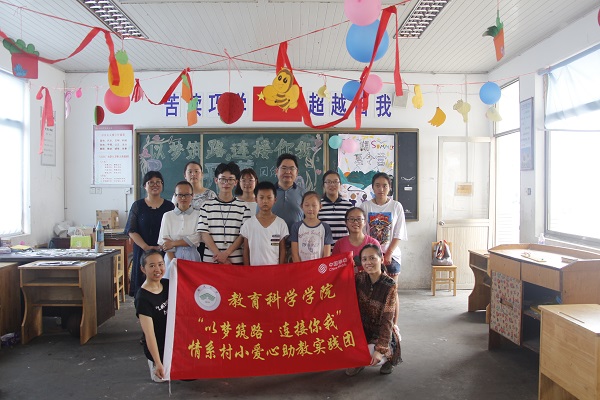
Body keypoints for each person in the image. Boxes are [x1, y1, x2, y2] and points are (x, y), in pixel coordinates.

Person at [345, 244, 402, 377]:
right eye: (364, 259)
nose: (368, 262)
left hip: (380, 331)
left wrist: (380, 349)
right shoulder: (359, 278)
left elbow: (387, 319)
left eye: (372, 258)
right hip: (362, 330)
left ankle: (388, 359)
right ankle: (359, 362)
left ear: (381, 259)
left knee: (373, 354)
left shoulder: (389, 285)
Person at [125, 171, 174, 296]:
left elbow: (174, 230)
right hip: (142, 252)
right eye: (151, 182)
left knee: (163, 287)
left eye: (158, 182)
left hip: (164, 252)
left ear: (162, 185)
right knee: (142, 288)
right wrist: (146, 247)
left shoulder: (170, 206)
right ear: (144, 186)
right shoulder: (137, 205)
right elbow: (131, 230)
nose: (155, 185)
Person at [198, 162, 251, 265]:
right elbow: (204, 234)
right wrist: (219, 255)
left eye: (230, 179)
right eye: (222, 179)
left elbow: (243, 235)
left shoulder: (244, 206)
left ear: (236, 182)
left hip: (235, 261)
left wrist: (226, 254)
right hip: (211, 260)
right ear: (216, 180)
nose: (226, 183)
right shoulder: (206, 205)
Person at [360, 172, 407, 283]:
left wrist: (389, 253)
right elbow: (363, 233)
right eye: (377, 185)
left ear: (389, 187)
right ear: (372, 187)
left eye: (385, 186)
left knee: (391, 289)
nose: (381, 189)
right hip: (371, 254)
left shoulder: (396, 206)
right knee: (372, 289)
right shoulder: (365, 206)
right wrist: (373, 255)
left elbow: (399, 233)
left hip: (391, 254)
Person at [135, 249, 169, 383]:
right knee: (162, 378)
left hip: (171, 341)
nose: (158, 269)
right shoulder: (143, 298)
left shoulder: (167, 284)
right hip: (157, 344)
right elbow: (149, 335)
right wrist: (158, 362)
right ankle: (153, 362)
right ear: (143, 269)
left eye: (160, 264)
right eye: (152, 265)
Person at [240, 181, 289, 266]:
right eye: (261, 198)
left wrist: (280, 269)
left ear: (275, 200)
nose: (265, 201)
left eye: (269, 198)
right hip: (254, 270)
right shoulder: (248, 224)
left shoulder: (281, 223)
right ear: (256, 199)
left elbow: (282, 250)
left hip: (274, 270)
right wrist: (247, 270)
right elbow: (246, 250)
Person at [158, 181, 202, 273]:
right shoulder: (167, 216)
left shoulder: (199, 215)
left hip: (192, 257)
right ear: (175, 196)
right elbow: (164, 241)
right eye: (180, 195)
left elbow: (197, 238)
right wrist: (174, 263)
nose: (183, 198)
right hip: (171, 257)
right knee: (171, 280)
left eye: (187, 195)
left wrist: (173, 243)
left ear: (192, 195)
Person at [332, 207, 381, 272]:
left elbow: (379, 267)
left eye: (359, 219)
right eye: (351, 219)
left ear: (364, 222)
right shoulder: (339, 244)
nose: (355, 222)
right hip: (346, 278)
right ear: (346, 222)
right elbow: (334, 268)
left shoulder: (373, 243)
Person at [290, 191, 334, 262]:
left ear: (320, 206)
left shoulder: (325, 227)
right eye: (307, 205)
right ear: (301, 206)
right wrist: (300, 267)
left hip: (319, 267)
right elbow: (294, 254)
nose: (310, 209)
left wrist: (320, 267)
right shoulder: (296, 227)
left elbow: (327, 255)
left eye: (314, 205)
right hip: (301, 267)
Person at [272, 153, 305, 246]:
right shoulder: (268, 193)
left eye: (292, 168)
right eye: (284, 168)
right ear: (276, 171)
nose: (288, 172)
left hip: (297, 245)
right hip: (272, 245)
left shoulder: (304, 194)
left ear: (297, 172)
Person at [318, 170, 353, 246]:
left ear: (340, 184)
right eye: (328, 182)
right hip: (323, 250)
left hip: (344, 249)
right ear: (323, 185)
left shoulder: (349, 206)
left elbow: (353, 229)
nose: (332, 185)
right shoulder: (317, 206)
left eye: (335, 182)